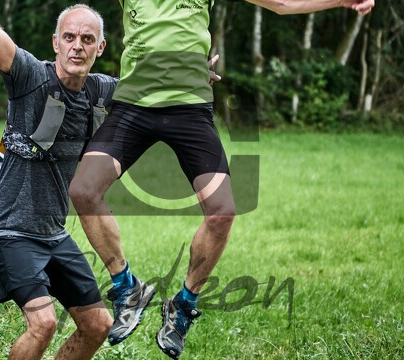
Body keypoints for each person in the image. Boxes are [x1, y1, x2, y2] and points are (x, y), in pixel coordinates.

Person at [68, 0, 376, 359]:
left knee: (222, 211)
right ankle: (127, 289)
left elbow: (281, 3)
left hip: (189, 110)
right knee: (83, 190)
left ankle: (182, 306)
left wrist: (341, 0)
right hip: (133, 107)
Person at [0, 2, 119, 359]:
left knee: (99, 324)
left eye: (87, 39)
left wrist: (195, 75)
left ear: (100, 47)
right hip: (9, 230)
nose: (77, 46)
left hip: (53, 233)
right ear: (55, 42)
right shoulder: (31, 77)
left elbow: (153, 90)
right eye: (69, 37)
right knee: (44, 323)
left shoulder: (103, 92)